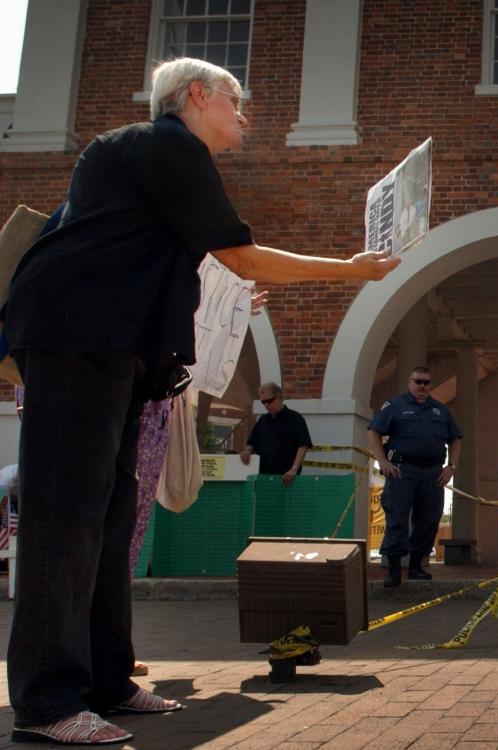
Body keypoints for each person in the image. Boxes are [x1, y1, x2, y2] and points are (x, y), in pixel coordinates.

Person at [1, 57, 399, 745]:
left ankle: (106, 679)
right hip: (76, 340)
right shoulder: (164, 144)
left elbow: (202, 268)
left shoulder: (149, 162)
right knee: (65, 520)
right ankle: (46, 701)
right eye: (234, 101)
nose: (242, 115)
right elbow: (241, 256)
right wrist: (350, 270)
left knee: (111, 519)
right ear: (194, 97)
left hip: (117, 351)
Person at [367, 366, 462, 586]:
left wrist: (452, 467)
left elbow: (455, 438)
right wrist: (381, 461)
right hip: (402, 470)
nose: (422, 386)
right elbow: (373, 431)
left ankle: (416, 567)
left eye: (426, 382)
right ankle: (393, 570)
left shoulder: (440, 410)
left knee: (429, 520)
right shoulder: (395, 406)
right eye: (418, 381)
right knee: (397, 519)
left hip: (433, 474)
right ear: (409, 382)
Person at [240, 382, 313, 485]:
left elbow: (303, 445)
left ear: (280, 397)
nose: (266, 405)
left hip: (286, 479)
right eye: (263, 402)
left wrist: (294, 469)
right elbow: (252, 443)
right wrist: (247, 451)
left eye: (269, 401)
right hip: (263, 479)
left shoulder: (295, 419)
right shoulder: (262, 421)